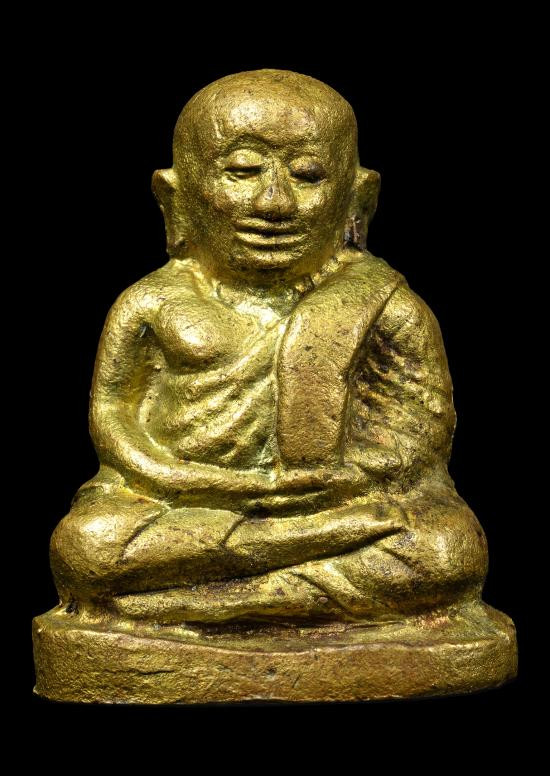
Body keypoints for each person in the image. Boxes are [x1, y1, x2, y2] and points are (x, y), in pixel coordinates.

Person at [49, 69, 488, 625]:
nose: (274, 202)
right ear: (175, 196)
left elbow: (421, 431)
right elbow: (113, 418)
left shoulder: (384, 306)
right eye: (242, 170)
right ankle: (287, 582)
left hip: (334, 502)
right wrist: (191, 481)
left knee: (446, 550)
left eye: (307, 175)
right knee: (89, 543)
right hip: (190, 506)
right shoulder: (151, 302)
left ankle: (207, 604)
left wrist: (343, 482)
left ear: (357, 198)